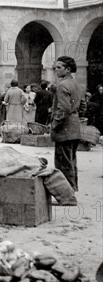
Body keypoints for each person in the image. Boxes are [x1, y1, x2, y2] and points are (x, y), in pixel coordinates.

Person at [51, 56, 85, 192]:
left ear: (68, 69)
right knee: (71, 160)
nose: (56, 70)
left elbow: (63, 109)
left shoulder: (62, 85)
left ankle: (66, 194)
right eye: (55, 67)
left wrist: (55, 124)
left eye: (59, 67)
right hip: (74, 126)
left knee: (62, 162)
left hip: (64, 128)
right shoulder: (76, 84)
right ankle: (72, 189)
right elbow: (83, 106)